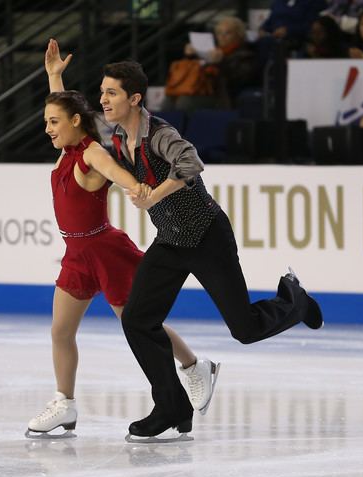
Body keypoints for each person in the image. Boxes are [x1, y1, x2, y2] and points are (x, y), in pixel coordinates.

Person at [47, 39, 323, 441]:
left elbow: (191, 162)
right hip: (172, 240)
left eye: (111, 93)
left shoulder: (158, 133)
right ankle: (171, 406)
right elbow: (70, 116)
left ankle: (292, 300)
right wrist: (56, 75)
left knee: (243, 329)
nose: (102, 100)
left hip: (207, 236)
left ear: (134, 98)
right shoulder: (119, 136)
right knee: (139, 320)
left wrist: (152, 194)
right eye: (102, 91)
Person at [25, 41, 221, 438]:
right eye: (46, 122)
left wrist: (140, 190)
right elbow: (63, 106)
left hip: (106, 252)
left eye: (53, 123)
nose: (47, 128)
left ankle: (193, 365)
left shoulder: (91, 153)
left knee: (139, 323)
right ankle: (64, 403)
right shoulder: (66, 148)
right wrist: (53, 76)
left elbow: (121, 175)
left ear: (75, 123)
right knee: (61, 332)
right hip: (77, 253)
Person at [162, 16, 259, 111]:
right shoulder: (212, 51)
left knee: (185, 102)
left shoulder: (245, 54)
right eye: (219, 33)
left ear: (239, 35)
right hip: (200, 90)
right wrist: (190, 57)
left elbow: (239, 80)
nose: (222, 37)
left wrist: (221, 63)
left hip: (222, 96)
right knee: (168, 101)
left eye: (227, 33)